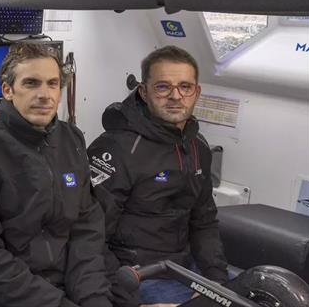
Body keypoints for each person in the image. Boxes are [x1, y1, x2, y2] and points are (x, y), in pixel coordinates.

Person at [0, 42, 112, 307]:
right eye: (31, 83)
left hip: (64, 281)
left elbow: (86, 227)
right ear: (7, 90)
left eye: (53, 83)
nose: (44, 94)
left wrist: (92, 297)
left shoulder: (72, 139)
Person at [87, 46, 228, 306]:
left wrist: (216, 280)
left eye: (185, 87)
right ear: (143, 91)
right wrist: (127, 295)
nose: (176, 96)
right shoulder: (116, 149)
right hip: (138, 274)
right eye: (163, 87)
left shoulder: (199, 147)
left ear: (196, 92)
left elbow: (204, 221)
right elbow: (89, 235)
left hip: (185, 268)